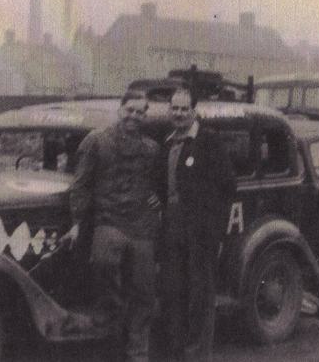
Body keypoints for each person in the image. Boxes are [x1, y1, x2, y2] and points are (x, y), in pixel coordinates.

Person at [63, 93, 161, 362]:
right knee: (104, 264)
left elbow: (161, 182)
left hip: (141, 225)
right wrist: (76, 223)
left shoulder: (152, 149)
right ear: (120, 110)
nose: (134, 116)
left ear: (145, 116)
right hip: (109, 219)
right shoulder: (97, 141)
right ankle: (110, 335)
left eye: (140, 113)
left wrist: (157, 198)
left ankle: (137, 353)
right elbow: (80, 184)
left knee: (144, 291)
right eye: (130, 110)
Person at [159, 87, 237, 361]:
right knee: (174, 293)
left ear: (194, 111)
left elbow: (228, 186)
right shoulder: (169, 142)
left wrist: (213, 232)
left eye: (184, 109)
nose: (179, 113)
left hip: (200, 233)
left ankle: (196, 356)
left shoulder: (209, 141)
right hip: (172, 230)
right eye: (175, 108)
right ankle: (176, 353)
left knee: (199, 297)